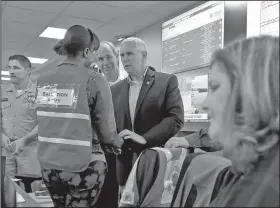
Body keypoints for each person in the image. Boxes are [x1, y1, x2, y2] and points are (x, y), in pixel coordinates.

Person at [11, 25, 143, 208]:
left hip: (50, 167)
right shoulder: (94, 80)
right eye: (95, 52)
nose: (97, 57)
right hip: (83, 166)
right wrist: (121, 144)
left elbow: (49, 119)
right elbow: (107, 133)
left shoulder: (44, 79)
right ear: (86, 51)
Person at [206, 35, 279, 207]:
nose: (204, 103)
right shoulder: (252, 168)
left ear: (251, 93)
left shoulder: (262, 189)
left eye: (215, 87)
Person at [111, 37, 184, 192]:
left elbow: (175, 118)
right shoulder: (115, 90)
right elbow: (112, 123)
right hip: (125, 165)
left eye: (129, 54)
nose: (124, 59)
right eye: (122, 55)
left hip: (156, 160)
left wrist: (145, 138)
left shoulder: (166, 81)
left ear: (144, 55)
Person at [1, 55, 41, 178]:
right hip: (7, 150)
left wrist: (24, 140)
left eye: (16, 68)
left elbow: (45, 122)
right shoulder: (3, 91)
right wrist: (1, 135)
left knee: (29, 190)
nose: (11, 71)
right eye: (10, 67)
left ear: (28, 70)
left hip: (30, 151)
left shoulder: (41, 92)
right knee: (9, 190)